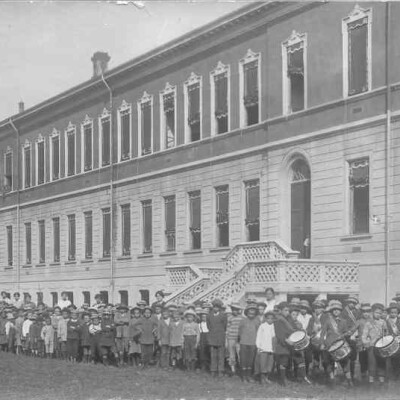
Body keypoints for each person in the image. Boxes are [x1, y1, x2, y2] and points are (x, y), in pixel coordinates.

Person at [320, 300, 353, 387]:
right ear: (331, 311)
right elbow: (322, 334)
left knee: (345, 363)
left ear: (340, 311)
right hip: (329, 345)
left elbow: (346, 332)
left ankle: (350, 382)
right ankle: (332, 381)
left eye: (338, 309)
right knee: (329, 363)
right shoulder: (328, 321)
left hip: (340, 345)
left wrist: (348, 333)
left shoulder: (344, 321)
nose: (336, 311)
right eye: (334, 309)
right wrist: (322, 343)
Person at [362, 303, 389, 385]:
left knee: (381, 363)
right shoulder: (368, 323)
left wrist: (385, 338)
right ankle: (371, 381)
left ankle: (381, 381)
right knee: (372, 363)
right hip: (372, 346)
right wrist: (366, 343)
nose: (378, 315)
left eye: (380, 313)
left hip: (381, 347)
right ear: (372, 312)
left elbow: (386, 333)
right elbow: (364, 335)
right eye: (377, 313)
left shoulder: (383, 322)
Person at [238, 303, 260, 382]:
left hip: (253, 343)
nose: (252, 312)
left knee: (251, 360)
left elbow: (258, 332)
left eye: (253, 311)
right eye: (250, 310)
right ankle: (243, 376)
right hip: (244, 343)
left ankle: (249, 375)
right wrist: (240, 340)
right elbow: (240, 331)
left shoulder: (257, 321)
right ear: (247, 312)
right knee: (243, 359)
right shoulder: (243, 320)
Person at [341, 296, 361, 380]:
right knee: (345, 356)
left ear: (355, 304)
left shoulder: (358, 312)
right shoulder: (343, 312)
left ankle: (352, 374)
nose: (351, 304)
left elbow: (359, 323)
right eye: (350, 302)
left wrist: (353, 331)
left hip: (354, 335)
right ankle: (347, 375)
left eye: (353, 303)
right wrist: (347, 332)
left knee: (353, 356)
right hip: (346, 334)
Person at [207, 298, 227, 378]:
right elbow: (209, 326)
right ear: (212, 307)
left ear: (220, 308)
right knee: (213, 355)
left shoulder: (223, 316)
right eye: (215, 307)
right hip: (212, 337)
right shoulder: (209, 316)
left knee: (220, 356)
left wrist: (220, 333)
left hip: (220, 337)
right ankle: (213, 370)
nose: (216, 308)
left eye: (217, 307)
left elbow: (225, 326)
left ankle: (220, 370)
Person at [254, 310, 276, 384]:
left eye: (272, 318)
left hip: (271, 348)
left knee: (269, 364)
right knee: (263, 363)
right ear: (265, 318)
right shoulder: (262, 326)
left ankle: (267, 377)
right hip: (263, 348)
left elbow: (274, 337)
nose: (270, 320)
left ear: (273, 319)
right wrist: (258, 346)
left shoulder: (274, 326)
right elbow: (258, 337)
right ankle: (262, 378)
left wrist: (274, 347)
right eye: (268, 318)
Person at [226, 302, 244, 374]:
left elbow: (243, 328)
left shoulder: (242, 318)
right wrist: (227, 338)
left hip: (239, 338)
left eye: (236, 310)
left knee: (240, 354)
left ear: (239, 310)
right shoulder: (229, 318)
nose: (234, 311)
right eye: (233, 310)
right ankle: (233, 369)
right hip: (231, 338)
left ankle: (241, 369)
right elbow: (228, 328)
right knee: (231, 354)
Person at [357, 303, 372, 381]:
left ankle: (371, 379)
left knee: (371, 361)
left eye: (368, 311)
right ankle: (363, 378)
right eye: (364, 312)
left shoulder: (373, 321)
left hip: (371, 345)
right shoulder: (359, 321)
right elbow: (352, 330)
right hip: (361, 345)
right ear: (361, 312)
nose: (366, 313)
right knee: (362, 361)